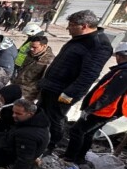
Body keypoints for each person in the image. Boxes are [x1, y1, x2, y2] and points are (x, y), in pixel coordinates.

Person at [37, 10, 113, 154]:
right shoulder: (80, 38)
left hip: (63, 91)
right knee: (42, 114)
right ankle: (38, 139)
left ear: (84, 26)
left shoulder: (98, 44)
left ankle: (49, 145)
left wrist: (70, 93)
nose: (68, 28)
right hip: (51, 86)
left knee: (55, 119)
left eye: (71, 25)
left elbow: (89, 75)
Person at [62, 42, 127, 165]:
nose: (117, 58)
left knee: (78, 131)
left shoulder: (125, 73)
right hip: (105, 110)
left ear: (122, 55)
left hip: (105, 110)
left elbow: (109, 95)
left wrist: (90, 109)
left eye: (118, 56)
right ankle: (78, 157)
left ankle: (70, 157)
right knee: (88, 133)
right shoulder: (122, 70)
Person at [13, 35, 55, 102]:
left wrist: (37, 99)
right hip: (17, 87)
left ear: (44, 46)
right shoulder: (30, 54)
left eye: (35, 47)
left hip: (29, 95)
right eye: (31, 46)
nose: (32, 49)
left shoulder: (49, 61)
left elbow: (44, 82)